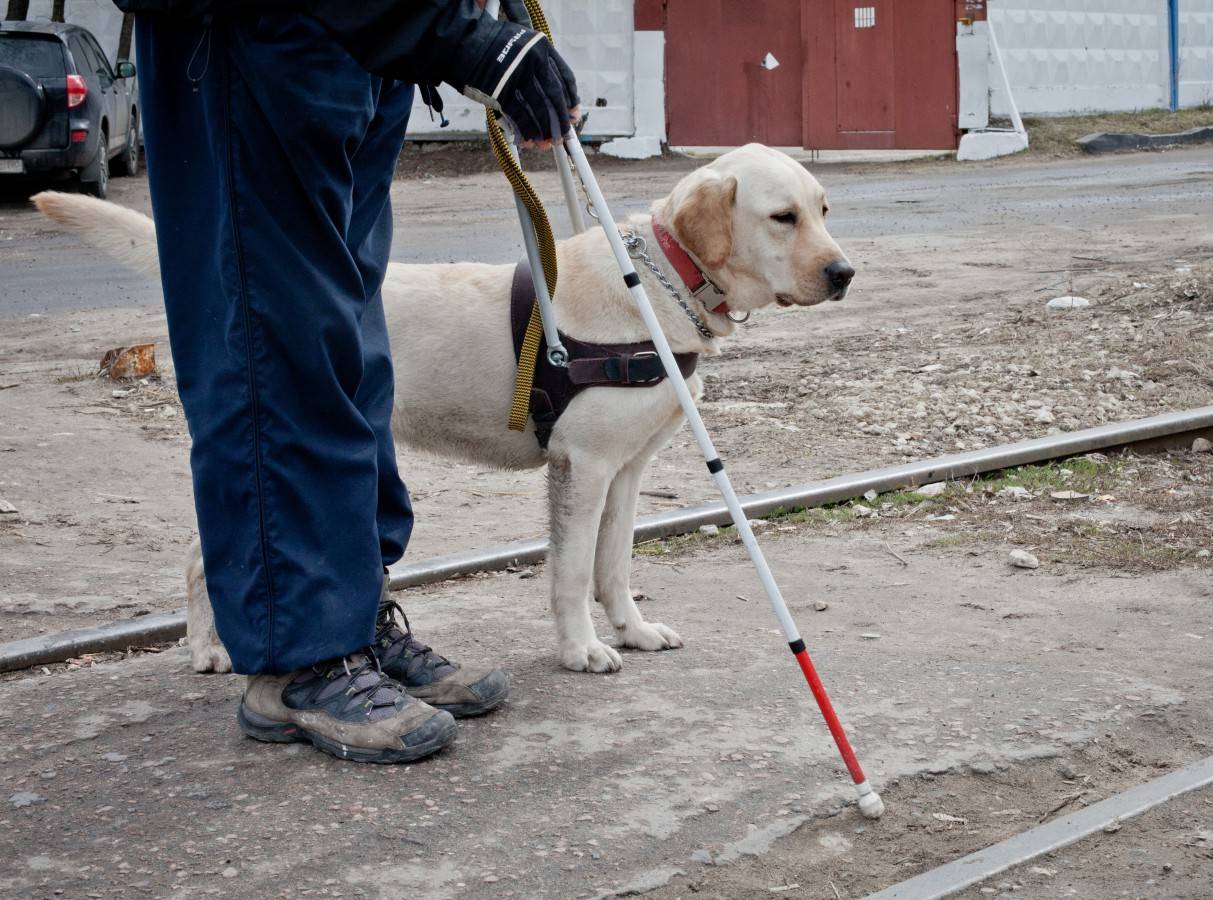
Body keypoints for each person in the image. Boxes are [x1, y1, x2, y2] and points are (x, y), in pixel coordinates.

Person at [115, 0, 579, 763]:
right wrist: (454, 37)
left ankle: (346, 621)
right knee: (280, 352)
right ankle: (295, 657)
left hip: (359, 47)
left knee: (351, 353)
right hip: (257, 40)